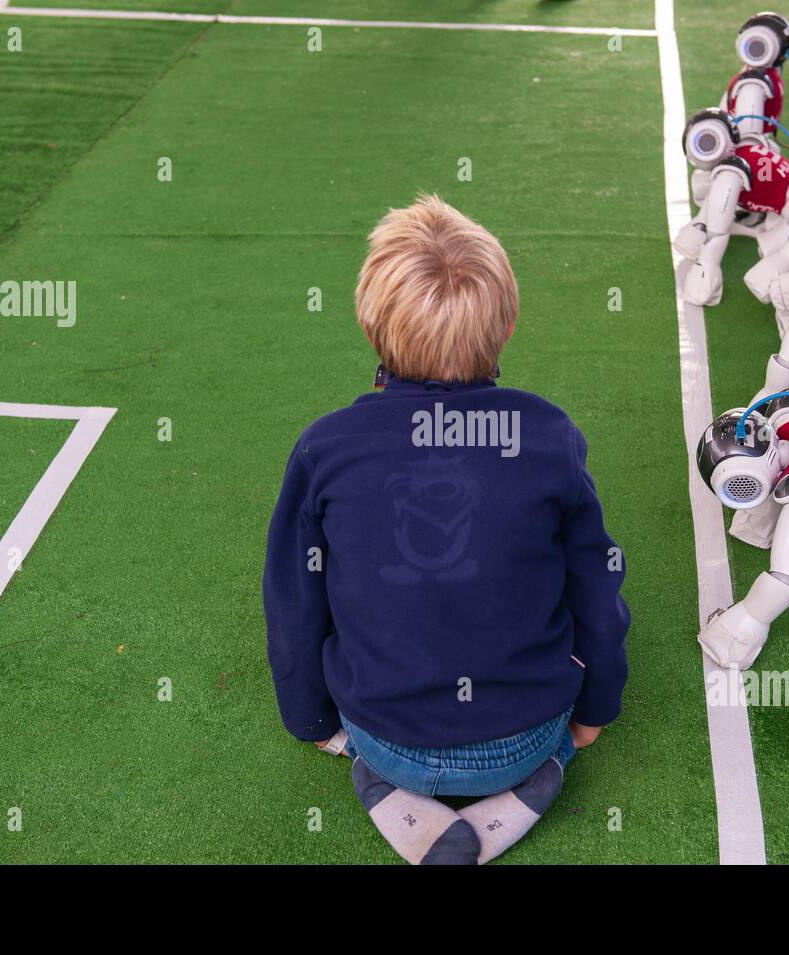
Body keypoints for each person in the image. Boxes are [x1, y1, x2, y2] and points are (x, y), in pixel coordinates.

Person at [263, 195, 630, 865]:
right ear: (508, 322)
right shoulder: (549, 436)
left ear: (370, 324)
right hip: (522, 736)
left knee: (375, 755)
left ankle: (382, 789)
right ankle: (530, 789)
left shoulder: (325, 447)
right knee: (553, 748)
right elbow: (598, 590)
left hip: (384, 735)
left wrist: (312, 720)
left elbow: (294, 603)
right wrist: (593, 709)